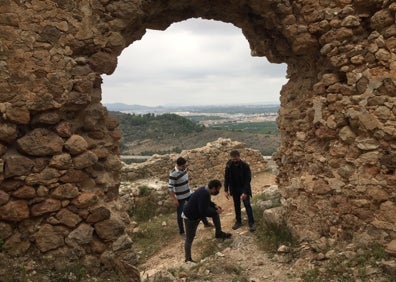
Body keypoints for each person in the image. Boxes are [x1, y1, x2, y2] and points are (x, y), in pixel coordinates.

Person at [182, 179, 232, 262]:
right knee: (189, 238)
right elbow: (203, 211)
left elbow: (207, 202)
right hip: (190, 217)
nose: (217, 192)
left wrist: (214, 205)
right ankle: (188, 259)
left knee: (215, 214)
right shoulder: (204, 193)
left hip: (196, 214)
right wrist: (215, 211)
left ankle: (218, 233)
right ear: (212, 188)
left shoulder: (205, 190)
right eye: (217, 190)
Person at [168, 157, 213, 236]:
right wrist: (174, 199)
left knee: (200, 206)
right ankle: (182, 232)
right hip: (180, 197)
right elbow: (170, 188)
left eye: (185, 166)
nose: (185, 167)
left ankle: (205, 223)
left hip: (189, 193)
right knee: (180, 215)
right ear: (178, 165)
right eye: (183, 166)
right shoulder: (173, 174)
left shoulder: (184, 169)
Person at [224, 150, 256, 232]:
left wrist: (245, 192)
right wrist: (225, 190)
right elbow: (226, 178)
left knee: (247, 205)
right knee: (236, 205)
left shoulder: (245, 166)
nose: (234, 161)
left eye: (235, 159)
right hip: (234, 188)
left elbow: (247, 180)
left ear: (239, 157)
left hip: (243, 187)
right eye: (233, 159)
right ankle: (238, 222)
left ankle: (252, 223)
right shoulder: (229, 165)